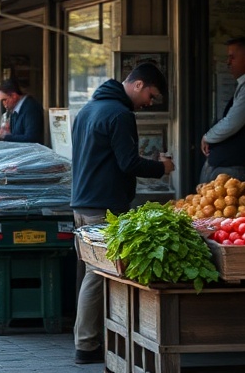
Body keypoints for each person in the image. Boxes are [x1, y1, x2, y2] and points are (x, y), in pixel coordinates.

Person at [70, 63, 176, 365]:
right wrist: (162, 168)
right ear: (139, 85)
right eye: (152, 96)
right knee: (98, 273)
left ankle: (89, 338)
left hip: (82, 202)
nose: (150, 103)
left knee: (92, 271)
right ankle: (86, 345)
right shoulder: (120, 114)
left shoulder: (88, 110)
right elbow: (128, 163)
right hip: (103, 206)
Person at [200, 37, 245, 183]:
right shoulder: (244, 84)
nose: (228, 62)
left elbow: (233, 121)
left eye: (232, 57)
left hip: (233, 167)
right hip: (222, 165)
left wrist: (208, 137)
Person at [0, 79, 44, 144]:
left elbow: (32, 138)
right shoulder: (15, 109)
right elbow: (15, 135)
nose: (4, 104)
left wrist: (5, 137)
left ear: (14, 96)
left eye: (4, 100)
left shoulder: (31, 108)